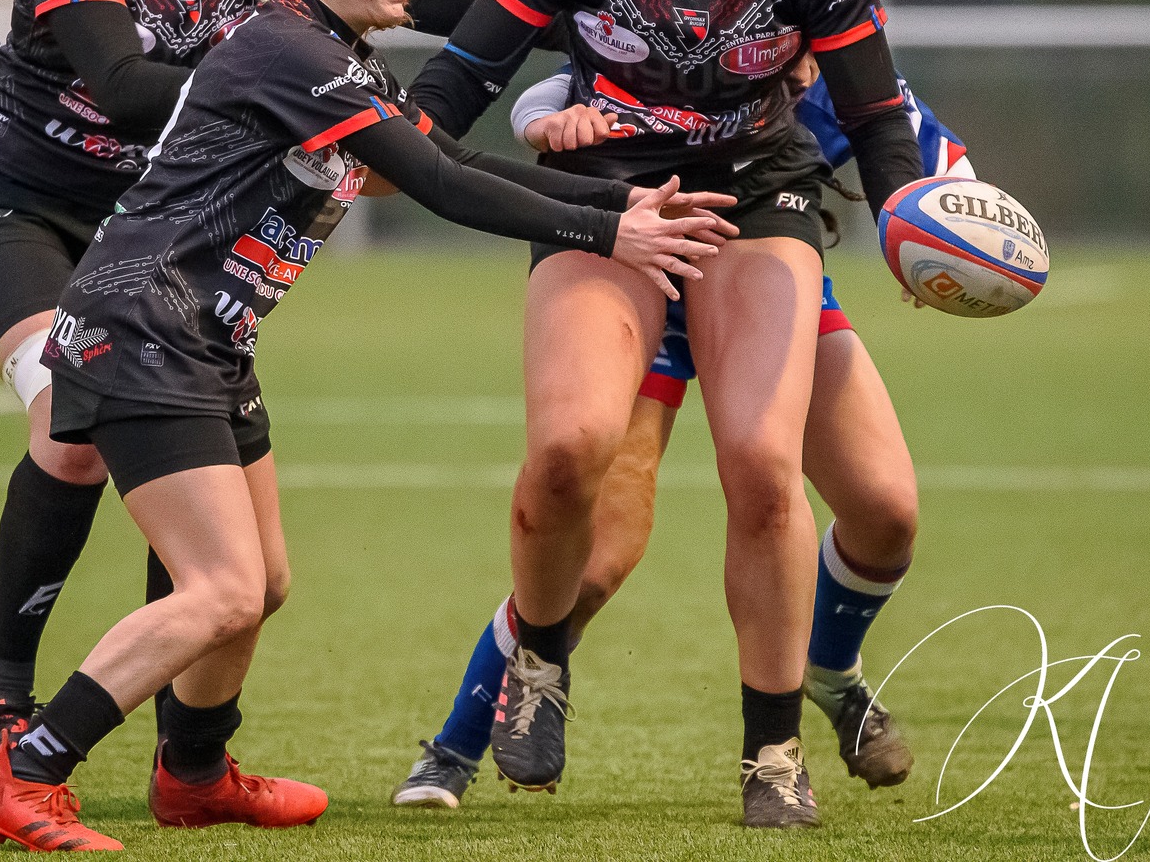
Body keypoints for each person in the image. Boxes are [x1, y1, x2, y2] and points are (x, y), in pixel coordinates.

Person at [0, 0, 733, 849]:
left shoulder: (330, 53)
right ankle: (26, 769)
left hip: (203, 338)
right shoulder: (291, 52)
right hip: (142, 329)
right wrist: (607, 232)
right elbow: (442, 187)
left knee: (262, 583)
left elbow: (445, 155)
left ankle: (191, 774)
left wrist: (619, 197)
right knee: (222, 587)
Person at [0, 0, 493, 785]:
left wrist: (556, 17)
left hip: (144, 221)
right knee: (69, 417)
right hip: (6, 197)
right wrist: (297, 90)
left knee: (191, 464)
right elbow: (122, 87)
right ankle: (4, 693)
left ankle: (187, 763)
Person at [407, 0, 924, 827]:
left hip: (754, 204)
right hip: (609, 209)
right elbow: (453, 86)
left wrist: (910, 224)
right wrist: (362, 145)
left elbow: (880, 120)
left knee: (762, 468)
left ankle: (773, 757)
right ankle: (535, 665)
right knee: (566, 455)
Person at [392, 63, 969, 809]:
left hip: (771, 283)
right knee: (595, 559)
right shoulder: (686, 37)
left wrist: (936, 242)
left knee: (887, 508)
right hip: (649, 285)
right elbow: (556, 91)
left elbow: (948, 173)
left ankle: (828, 667)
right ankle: (456, 747)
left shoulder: (838, 74)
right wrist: (541, 119)